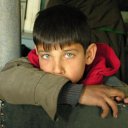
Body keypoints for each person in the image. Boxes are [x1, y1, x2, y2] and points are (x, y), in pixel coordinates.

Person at [0, 4, 128, 128]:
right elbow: (4, 81)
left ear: (89, 55)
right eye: (46, 56)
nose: (56, 69)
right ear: (37, 53)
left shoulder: (113, 89)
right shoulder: (30, 66)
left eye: (68, 55)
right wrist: (76, 93)